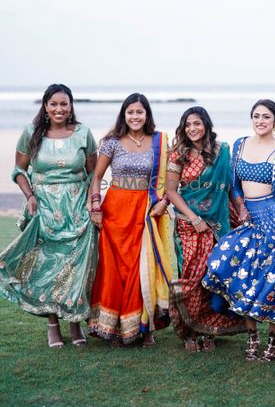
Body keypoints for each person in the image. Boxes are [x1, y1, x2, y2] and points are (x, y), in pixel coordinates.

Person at [0, 83, 97, 348]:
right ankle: (53, 324)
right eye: (53, 104)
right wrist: (30, 196)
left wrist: (91, 204)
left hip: (77, 210)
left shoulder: (83, 134)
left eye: (64, 104)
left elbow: (93, 175)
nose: (59, 109)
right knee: (49, 267)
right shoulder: (31, 134)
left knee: (76, 268)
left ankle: (75, 322)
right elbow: (18, 171)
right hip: (44, 208)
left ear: (71, 106)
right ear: (45, 106)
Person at [203, 99, 275, 362]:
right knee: (238, 272)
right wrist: (241, 208)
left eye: (266, 117)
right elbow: (234, 185)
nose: (260, 121)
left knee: (271, 280)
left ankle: (274, 339)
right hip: (249, 220)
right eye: (256, 116)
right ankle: (252, 337)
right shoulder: (240, 144)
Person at [88, 93, 172, 347]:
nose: (135, 117)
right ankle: (114, 328)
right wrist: (95, 205)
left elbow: (168, 183)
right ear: (124, 115)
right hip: (115, 211)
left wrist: (163, 203)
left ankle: (145, 329)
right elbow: (96, 176)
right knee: (114, 268)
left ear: (147, 115)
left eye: (139, 112)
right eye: (130, 112)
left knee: (142, 267)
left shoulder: (159, 141)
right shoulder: (112, 142)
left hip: (144, 211)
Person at [166, 107, 246, 352]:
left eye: (197, 123)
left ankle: (209, 330)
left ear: (206, 125)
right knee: (191, 275)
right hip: (189, 223)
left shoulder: (222, 151)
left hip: (218, 223)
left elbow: (230, 186)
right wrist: (193, 218)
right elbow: (171, 191)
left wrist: (240, 211)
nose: (192, 128)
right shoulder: (178, 154)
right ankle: (189, 332)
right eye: (188, 124)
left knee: (212, 277)